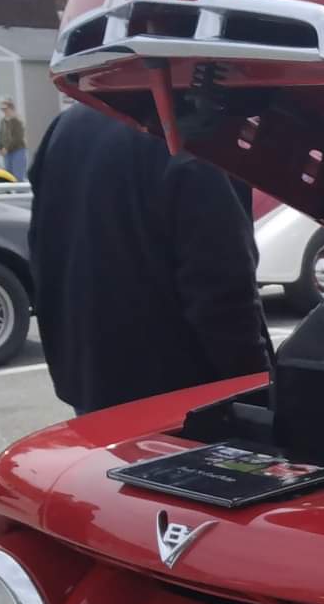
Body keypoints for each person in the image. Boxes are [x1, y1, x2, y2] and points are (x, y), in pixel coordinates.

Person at [26, 102, 271, 415]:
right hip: (178, 400)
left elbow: (41, 249)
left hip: (88, 384)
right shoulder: (191, 135)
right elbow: (223, 292)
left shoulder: (67, 125)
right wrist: (258, 393)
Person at [0, 99, 29, 179]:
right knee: (8, 175)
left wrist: (7, 148)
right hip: (6, 152)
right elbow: (0, 135)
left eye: (6, 109)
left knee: (18, 175)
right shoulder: (3, 121)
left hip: (17, 150)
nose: (4, 111)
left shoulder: (17, 121)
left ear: (11, 108)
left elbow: (17, 138)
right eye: (2, 109)